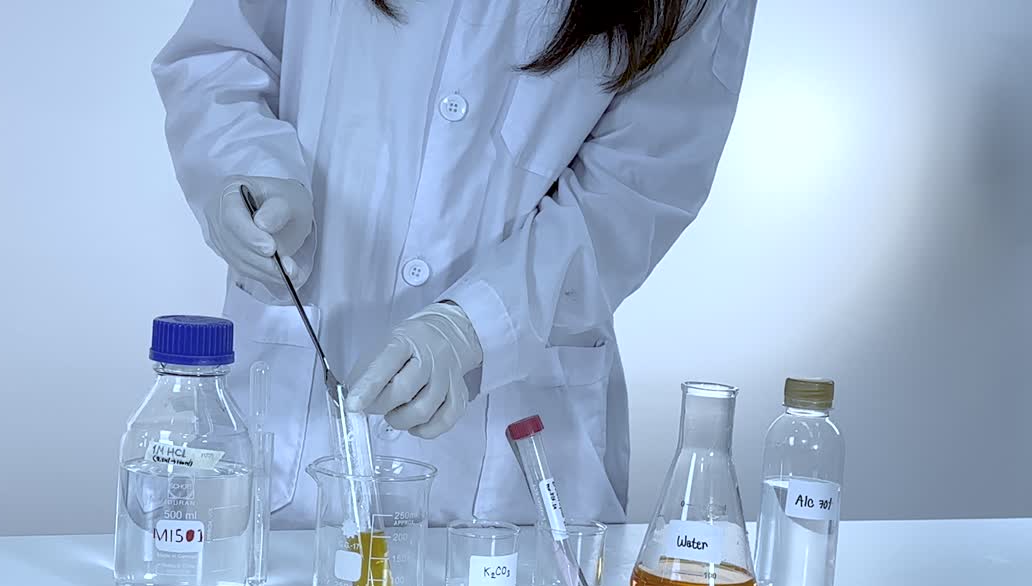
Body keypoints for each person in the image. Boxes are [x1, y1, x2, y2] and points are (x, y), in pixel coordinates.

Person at [153, 0, 756, 528]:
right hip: (288, 418)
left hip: (515, 451)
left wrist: (477, 324)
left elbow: (635, 187)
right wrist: (247, 171)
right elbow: (221, 58)